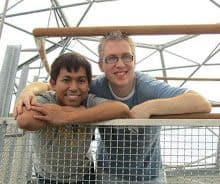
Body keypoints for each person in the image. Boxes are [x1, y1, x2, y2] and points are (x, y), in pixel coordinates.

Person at [14, 31, 211, 184]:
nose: (120, 64)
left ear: (135, 60)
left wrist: (151, 106)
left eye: (127, 57)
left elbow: (201, 103)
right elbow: (56, 86)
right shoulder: (93, 87)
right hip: (108, 174)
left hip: (150, 176)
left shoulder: (148, 87)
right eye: (112, 58)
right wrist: (28, 90)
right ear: (101, 64)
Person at [16, 52, 130, 184]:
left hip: (84, 175)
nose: (74, 88)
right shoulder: (47, 99)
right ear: (53, 84)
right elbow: (24, 120)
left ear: (88, 85)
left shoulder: (89, 101)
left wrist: (65, 115)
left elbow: (121, 109)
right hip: (48, 177)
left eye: (81, 80)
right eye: (66, 80)